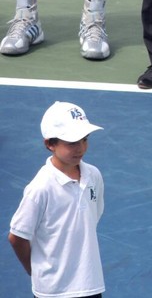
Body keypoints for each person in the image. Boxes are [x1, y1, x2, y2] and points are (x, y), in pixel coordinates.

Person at [8, 101, 106, 298]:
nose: (81, 148)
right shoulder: (40, 188)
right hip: (53, 291)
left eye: (84, 139)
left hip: (90, 284)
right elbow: (17, 237)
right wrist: (34, 270)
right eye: (71, 142)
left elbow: (92, 218)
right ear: (50, 144)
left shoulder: (93, 175)